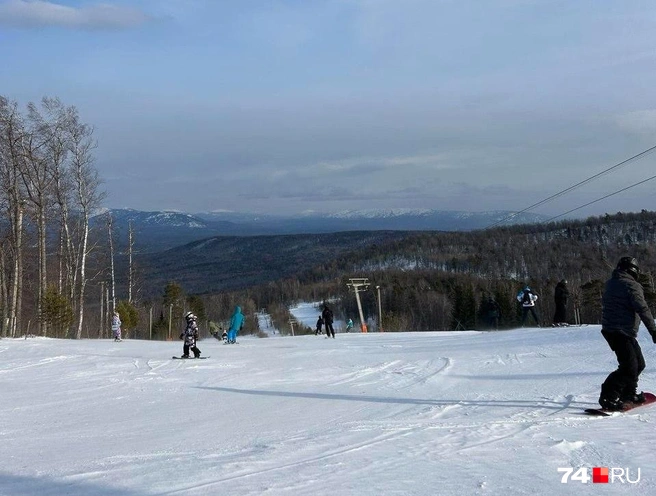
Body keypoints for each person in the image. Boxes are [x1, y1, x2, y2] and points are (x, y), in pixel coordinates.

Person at [598, 257, 656, 411]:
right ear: (633, 270)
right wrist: (653, 330)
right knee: (629, 367)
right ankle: (608, 397)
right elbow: (642, 309)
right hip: (620, 331)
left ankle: (628, 394)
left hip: (615, 330)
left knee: (638, 364)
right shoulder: (631, 285)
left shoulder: (611, 283)